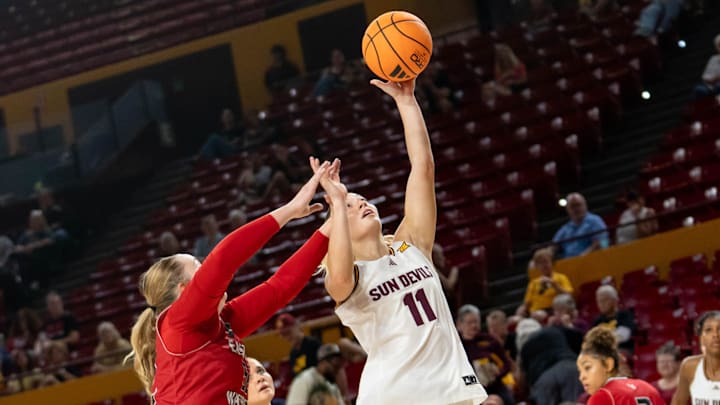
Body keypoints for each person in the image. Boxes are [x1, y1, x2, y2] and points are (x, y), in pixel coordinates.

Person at [316, 77, 487, 404]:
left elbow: (422, 169)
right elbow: (338, 275)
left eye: (362, 198)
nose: (361, 203)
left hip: (452, 389)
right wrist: (337, 201)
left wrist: (407, 102)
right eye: (351, 206)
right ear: (340, 230)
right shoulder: (349, 279)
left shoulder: (412, 247)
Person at [126, 160, 334, 403]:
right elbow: (224, 258)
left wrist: (332, 223)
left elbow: (279, 288)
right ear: (185, 290)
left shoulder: (223, 324)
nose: (207, 270)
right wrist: (290, 209)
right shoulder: (179, 323)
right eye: (199, 267)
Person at [578, 326, 665, 404]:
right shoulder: (647, 387)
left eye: (587, 368)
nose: (581, 377)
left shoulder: (603, 395)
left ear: (608, 365)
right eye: (580, 371)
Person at [456, 305, 515, 405]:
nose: (474, 325)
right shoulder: (457, 347)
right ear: (459, 324)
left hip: (495, 386)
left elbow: (507, 363)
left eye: (476, 321)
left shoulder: (489, 340)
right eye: (470, 322)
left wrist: (498, 374)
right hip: (471, 390)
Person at [519, 324, 583, 404]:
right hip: (571, 367)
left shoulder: (525, 346)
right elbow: (579, 336)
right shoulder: (553, 330)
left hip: (545, 377)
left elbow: (522, 379)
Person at [672, 310, 720, 404]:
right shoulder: (690, 366)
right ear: (701, 338)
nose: (715, 335)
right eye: (708, 330)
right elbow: (678, 402)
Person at [516, 248, 573, 317]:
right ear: (537, 266)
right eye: (540, 263)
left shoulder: (561, 277)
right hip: (536, 311)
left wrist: (554, 284)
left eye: (546, 261)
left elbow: (569, 295)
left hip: (554, 310)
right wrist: (521, 310)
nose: (544, 265)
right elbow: (526, 303)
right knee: (513, 320)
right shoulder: (533, 283)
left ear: (552, 262)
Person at [552, 193, 608, 259]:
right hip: (569, 264)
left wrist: (581, 258)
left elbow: (603, 243)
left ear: (585, 205)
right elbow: (553, 247)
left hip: (593, 261)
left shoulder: (595, 221)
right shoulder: (565, 229)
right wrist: (546, 253)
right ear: (567, 209)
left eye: (578, 205)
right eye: (572, 206)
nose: (576, 209)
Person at [276, 313, 321, 377]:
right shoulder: (293, 354)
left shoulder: (313, 344)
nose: (287, 337)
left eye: (288, 332)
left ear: (296, 326)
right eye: (284, 335)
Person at [593, 285, 636, 353]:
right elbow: (593, 342)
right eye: (599, 301)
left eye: (604, 300)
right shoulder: (597, 321)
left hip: (623, 351)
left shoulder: (624, 315)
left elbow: (624, 335)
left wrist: (602, 341)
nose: (601, 304)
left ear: (615, 300)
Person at [693, 34, 720, 100]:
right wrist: (714, 78)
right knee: (698, 89)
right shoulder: (713, 59)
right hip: (713, 87)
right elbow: (705, 77)